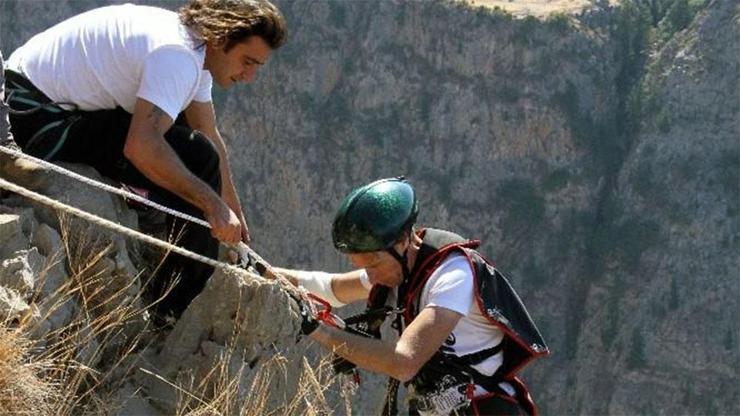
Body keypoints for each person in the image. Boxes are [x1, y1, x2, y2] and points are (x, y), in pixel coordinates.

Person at [3, 0, 287, 320]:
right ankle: (177, 306)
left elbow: (206, 131)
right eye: (247, 62)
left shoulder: (194, 47)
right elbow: (140, 146)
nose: (248, 76)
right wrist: (212, 205)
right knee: (195, 160)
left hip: (27, 94)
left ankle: (178, 258)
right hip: (40, 121)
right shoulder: (178, 58)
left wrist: (232, 207)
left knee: (187, 138)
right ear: (222, 39)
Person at [279, 177, 549, 416]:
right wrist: (258, 268)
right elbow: (330, 288)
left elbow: (405, 360)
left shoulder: (453, 276)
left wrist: (319, 331)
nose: (369, 278)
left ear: (402, 242)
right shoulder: (396, 271)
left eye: (372, 266)